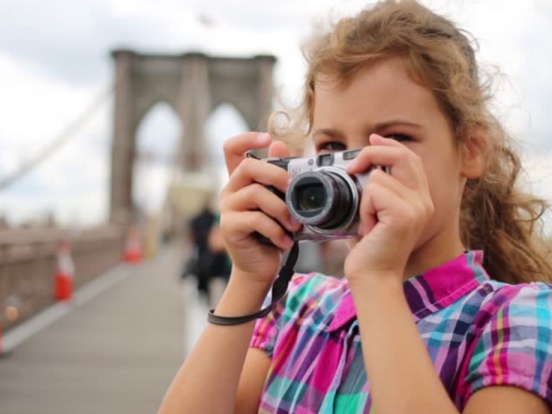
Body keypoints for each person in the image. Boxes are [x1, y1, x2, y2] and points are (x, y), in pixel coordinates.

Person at [159, 1, 552, 413]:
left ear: (471, 150)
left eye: (394, 139)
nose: (354, 170)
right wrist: (247, 279)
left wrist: (378, 281)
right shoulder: (297, 307)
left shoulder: (518, 322)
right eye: (331, 148)